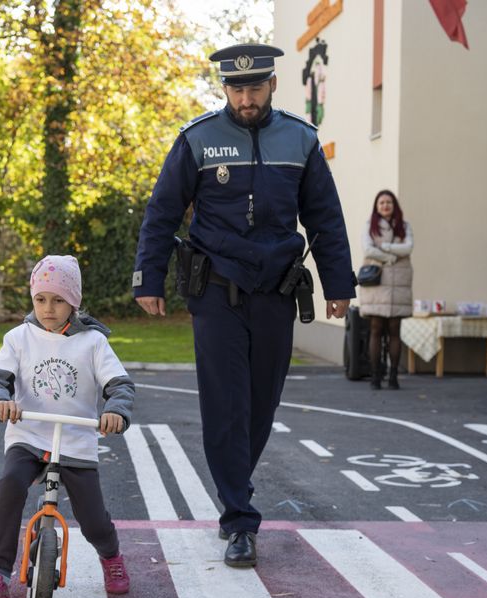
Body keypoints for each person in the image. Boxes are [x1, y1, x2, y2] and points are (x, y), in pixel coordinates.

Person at [132, 43, 355, 568]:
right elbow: (162, 211)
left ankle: (235, 487)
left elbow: (326, 219)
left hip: (276, 292)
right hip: (216, 292)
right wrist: (149, 277)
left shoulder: (300, 140)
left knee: (260, 405)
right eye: (236, 89)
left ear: (273, 85)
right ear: (224, 88)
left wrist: (338, 284)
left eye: (255, 88)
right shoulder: (198, 139)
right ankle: (239, 517)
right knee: (226, 405)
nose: (246, 98)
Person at [0, 255, 135, 598]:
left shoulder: (92, 342)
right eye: (41, 299)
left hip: (76, 437)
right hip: (28, 436)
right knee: (10, 484)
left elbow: (120, 385)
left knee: (92, 519)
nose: (48, 308)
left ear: (73, 301)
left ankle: (111, 556)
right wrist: (1, 402)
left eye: (58, 300)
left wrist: (116, 411)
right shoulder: (18, 338)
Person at [358, 190, 413, 390]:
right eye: (381, 202)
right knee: (376, 328)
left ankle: (393, 376)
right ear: (376, 206)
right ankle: (375, 376)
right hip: (377, 283)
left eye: (389, 202)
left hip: (398, 283)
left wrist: (387, 248)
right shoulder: (369, 225)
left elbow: (409, 247)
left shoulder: (404, 226)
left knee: (394, 330)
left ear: (394, 205)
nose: (385, 205)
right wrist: (390, 257)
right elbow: (368, 249)